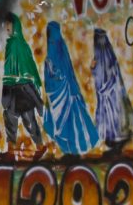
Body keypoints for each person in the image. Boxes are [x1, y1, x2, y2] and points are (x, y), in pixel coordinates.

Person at [42, 21, 99, 156]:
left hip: (66, 95)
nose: (51, 40)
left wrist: (57, 75)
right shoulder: (53, 52)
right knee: (58, 124)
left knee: (72, 124)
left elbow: (66, 72)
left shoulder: (61, 50)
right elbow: (50, 77)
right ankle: (67, 151)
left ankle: (73, 151)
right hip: (54, 96)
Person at [0, 13, 46, 161]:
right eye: (5, 24)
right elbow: (28, 67)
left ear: (15, 26)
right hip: (21, 89)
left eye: (9, 24)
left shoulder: (14, 45)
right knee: (19, 119)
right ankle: (15, 150)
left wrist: (7, 87)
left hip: (18, 89)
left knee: (21, 119)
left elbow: (16, 69)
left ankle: (35, 148)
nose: (6, 27)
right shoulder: (21, 44)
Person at [91, 28, 133, 153]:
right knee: (113, 122)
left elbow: (103, 80)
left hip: (110, 98)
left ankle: (117, 144)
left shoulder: (104, 58)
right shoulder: (108, 57)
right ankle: (115, 144)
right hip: (111, 97)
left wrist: (94, 69)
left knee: (114, 122)